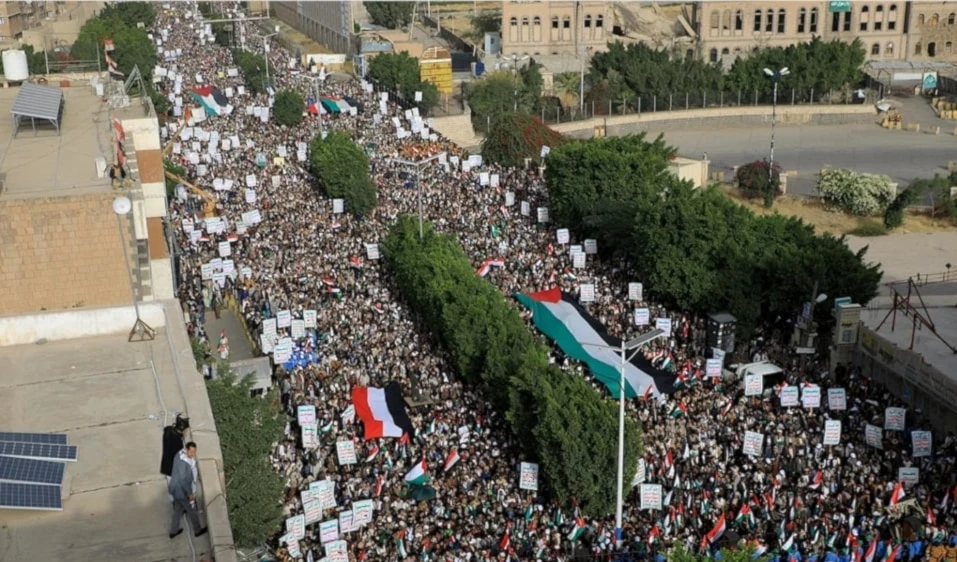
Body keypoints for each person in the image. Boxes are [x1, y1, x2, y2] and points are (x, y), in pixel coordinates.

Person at [168, 442, 207, 539]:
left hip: (175, 489)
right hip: (182, 492)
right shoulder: (183, 463)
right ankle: (197, 530)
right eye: (192, 452)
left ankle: (173, 531)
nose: (193, 454)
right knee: (192, 510)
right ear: (187, 450)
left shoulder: (179, 454)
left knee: (177, 511)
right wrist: (190, 493)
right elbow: (183, 480)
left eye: (194, 452)